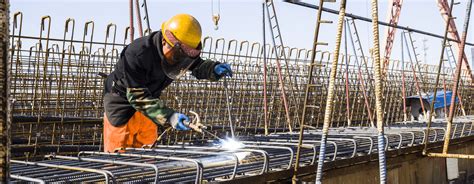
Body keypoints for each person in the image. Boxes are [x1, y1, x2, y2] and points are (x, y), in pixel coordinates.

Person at [102, 14, 232, 152]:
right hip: (121, 107)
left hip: (150, 108)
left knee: (147, 157)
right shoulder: (137, 53)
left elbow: (197, 65)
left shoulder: (180, 54)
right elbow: (137, 96)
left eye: (185, 58)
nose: (180, 61)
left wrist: (213, 69)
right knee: (118, 160)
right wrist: (169, 116)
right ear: (165, 41)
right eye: (178, 56)